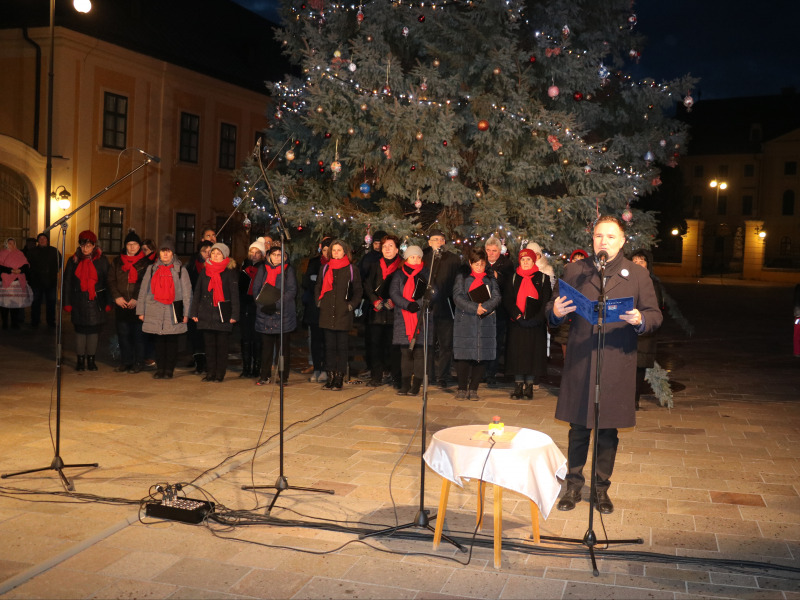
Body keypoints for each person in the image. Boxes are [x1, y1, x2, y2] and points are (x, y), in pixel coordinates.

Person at [546, 216, 662, 514]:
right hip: (583, 360)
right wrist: (556, 312)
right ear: (592, 239)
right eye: (599, 236)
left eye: (610, 236)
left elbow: (655, 314)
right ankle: (573, 485)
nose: (604, 241)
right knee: (579, 426)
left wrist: (641, 319)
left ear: (623, 241)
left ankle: (600, 488)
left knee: (608, 428)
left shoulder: (637, 274)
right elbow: (552, 308)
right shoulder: (576, 270)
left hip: (616, 361)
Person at [137, 236, 192, 379]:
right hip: (155, 308)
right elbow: (143, 291)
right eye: (163, 251)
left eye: (168, 251)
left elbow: (187, 293)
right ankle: (160, 368)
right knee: (159, 341)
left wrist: (187, 313)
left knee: (172, 341)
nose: (165, 254)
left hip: (173, 309)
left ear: (173, 253)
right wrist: (140, 311)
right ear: (159, 253)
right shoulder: (151, 269)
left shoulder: (180, 270)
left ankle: (169, 369)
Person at [452, 247, 501, 400]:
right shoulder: (462, 277)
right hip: (465, 320)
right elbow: (457, 296)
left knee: (481, 354)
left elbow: (497, 296)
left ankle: (473, 389)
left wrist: (484, 308)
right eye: (476, 264)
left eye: (481, 263)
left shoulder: (491, 278)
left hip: (485, 320)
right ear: (470, 263)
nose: (479, 267)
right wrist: (475, 308)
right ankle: (461, 388)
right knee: (464, 355)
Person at [503, 248, 552, 400]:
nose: (525, 262)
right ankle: (518, 386)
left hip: (535, 324)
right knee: (517, 354)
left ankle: (529, 386)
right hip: (517, 323)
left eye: (528, 260)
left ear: (533, 261)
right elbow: (508, 299)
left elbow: (546, 301)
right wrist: (518, 316)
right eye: (523, 259)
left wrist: (537, 319)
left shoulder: (543, 278)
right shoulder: (512, 278)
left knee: (532, 354)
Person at [314, 239, 362, 391]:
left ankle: (339, 378)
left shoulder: (351, 269)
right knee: (329, 347)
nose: (335, 253)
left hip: (343, 313)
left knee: (341, 347)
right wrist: (319, 302)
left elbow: (358, 290)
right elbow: (318, 287)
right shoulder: (325, 268)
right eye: (333, 250)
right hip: (327, 312)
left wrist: (351, 305)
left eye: (338, 250)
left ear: (344, 252)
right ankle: (330, 377)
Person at [62, 230, 111, 370]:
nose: (85, 248)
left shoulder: (102, 260)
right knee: (80, 331)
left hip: (96, 301)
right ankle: (80, 360)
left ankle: (91, 360)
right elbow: (67, 283)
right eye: (83, 245)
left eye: (89, 245)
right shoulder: (73, 260)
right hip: (78, 301)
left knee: (94, 332)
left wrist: (108, 302)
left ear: (94, 245)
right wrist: (67, 303)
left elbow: (108, 282)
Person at [190, 242, 239, 382]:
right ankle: (210, 373)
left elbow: (234, 295)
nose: (215, 256)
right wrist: (194, 312)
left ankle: (219, 374)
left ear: (224, 256)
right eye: (213, 253)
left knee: (222, 347)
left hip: (223, 313)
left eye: (218, 254)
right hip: (206, 312)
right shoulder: (205, 271)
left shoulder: (230, 272)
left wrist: (235, 314)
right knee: (209, 347)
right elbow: (197, 292)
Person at [390, 245, 433, 396]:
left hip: (420, 318)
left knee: (419, 353)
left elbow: (432, 292)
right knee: (405, 353)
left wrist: (418, 305)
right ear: (406, 258)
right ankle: (405, 384)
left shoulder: (426, 273)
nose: (415, 260)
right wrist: (408, 305)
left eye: (418, 257)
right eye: (412, 257)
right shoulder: (398, 275)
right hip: (403, 317)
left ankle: (416, 386)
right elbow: (394, 293)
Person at [253, 244, 297, 386]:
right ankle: (264, 376)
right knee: (266, 349)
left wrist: (276, 304)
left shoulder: (288, 270)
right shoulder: (262, 269)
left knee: (283, 350)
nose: (277, 258)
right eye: (274, 255)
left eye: (280, 255)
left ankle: (283, 377)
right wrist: (263, 303)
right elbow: (256, 289)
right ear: (269, 256)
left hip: (283, 315)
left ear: (285, 257)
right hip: (265, 313)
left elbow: (291, 291)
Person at [422, 229, 460, 388]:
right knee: (428, 344)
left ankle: (442, 376)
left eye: (440, 239)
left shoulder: (453, 259)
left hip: (446, 308)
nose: (438, 242)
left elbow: (457, 282)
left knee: (446, 345)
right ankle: (428, 375)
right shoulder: (424, 258)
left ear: (444, 242)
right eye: (434, 239)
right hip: (428, 308)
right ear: (429, 242)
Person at [364, 234, 403, 388]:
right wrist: (374, 300)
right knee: (375, 346)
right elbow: (367, 284)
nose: (387, 249)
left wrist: (394, 301)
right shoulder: (374, 264)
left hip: (395, 313)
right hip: (377, 311)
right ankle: (376, 376)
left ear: (397, 249)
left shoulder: (401, 266)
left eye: (390, 246)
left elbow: (405, 288)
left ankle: (395, 377)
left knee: (394, 347)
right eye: (385, 246)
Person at [108, 230, 150, 373]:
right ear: (125, 245)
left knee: (138, 335)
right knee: (123, 334)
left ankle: (139, 362)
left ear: (139, 246)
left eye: (135, 244)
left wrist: (137, 298)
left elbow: (146, 283)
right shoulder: (117, 261)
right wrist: (117, 297)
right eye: (129, 244)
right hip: (121, 304)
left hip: (138, 304)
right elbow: (111, 280)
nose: (132, 247)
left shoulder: (146, 263)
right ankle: (126, 362)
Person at [631, 249, 665, 409]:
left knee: (638, 369)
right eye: (634, 261)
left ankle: (633, 400)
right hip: (625, 332)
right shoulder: (625, 281)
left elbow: (654, 310)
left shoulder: (653, 284)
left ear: (648, 265)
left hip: (643, 334)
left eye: (641, 261)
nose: (637, 264)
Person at [484, 236, 514, 386]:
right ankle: (481, 372)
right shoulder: (480, 262)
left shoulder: (507, 264)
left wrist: (498, 277)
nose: (491, 253)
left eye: (494, 251)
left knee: (495, 343)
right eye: (488, 250)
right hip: (482, 309)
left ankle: (491, 373)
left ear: (499, 251)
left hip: (499, 311)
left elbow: (510, 287)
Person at [301, 236, 331, 383]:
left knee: (327, 340)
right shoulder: (314, 262)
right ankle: (317, 368)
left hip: (329, 308)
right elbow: (307, 282)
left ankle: (326, 369)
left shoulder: (335, 264)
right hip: (314, 307)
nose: (326, 253)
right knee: (315, 340)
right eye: (324, 250)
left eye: (329, 250)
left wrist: (317, 281)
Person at [359, 230, 387, 378]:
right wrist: (371, 298)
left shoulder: (390, 259)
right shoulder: (368, 258)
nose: (378, 246)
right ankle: (372, 367)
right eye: (376, 243)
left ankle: (386, 367)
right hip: (371, 304)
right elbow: (362, 280)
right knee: (371, 339)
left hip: (388, 304)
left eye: (380, 243)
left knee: (385, 339)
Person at [551, 249, 588, 359]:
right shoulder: (564, 277)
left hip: (583, 322)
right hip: (566, 321)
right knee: (567, 358)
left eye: (581, 260)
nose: (577, 262)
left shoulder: (591, 279)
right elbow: (555, 296)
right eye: (575, 259)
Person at [238, 238, 266, 378]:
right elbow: (239, 289)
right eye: (252, 252)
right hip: (245, 307)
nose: (254, 255)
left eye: (257, 252)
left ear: (262, 255)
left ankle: (257, 367)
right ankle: (246, 367)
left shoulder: (264, 268)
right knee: (245, 338)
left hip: (258, 308)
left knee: (257, 339)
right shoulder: (243, 268)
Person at [186, 240, 213, 374]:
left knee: (208, 336)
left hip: (210, 307)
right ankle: (199, 364)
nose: (207, 254)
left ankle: (209, 363)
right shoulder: (191, 267)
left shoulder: (217, 266)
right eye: (204, 251)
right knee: (196, 337)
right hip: (195, 305)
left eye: (210, 251)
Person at [27, 233, 61, 329]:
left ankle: (51, 321)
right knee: (36, 302)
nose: (42, 240)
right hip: (36, 282)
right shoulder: (32, 251)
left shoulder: (54, 251)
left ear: (47, 240)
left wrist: (52, 272)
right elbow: (28, 265)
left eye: (44, 238)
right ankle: (35, 321)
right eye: (40, 238)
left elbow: (59, 263)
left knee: (51, 302)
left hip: (50, 281)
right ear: (38, 241)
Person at [0, 237, 31, 330]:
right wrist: (11, 270)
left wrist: (20, 270)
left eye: (13, 243)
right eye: (10, 243)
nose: (12, 245)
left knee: (15, 304)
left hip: (17, 282)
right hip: (5, 282)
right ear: (6, 244)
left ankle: (14, 323)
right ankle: (4, 323)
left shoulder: (19, 253)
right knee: (5, 304)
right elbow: (0, 267)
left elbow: (26, 265)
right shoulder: (2, 253)